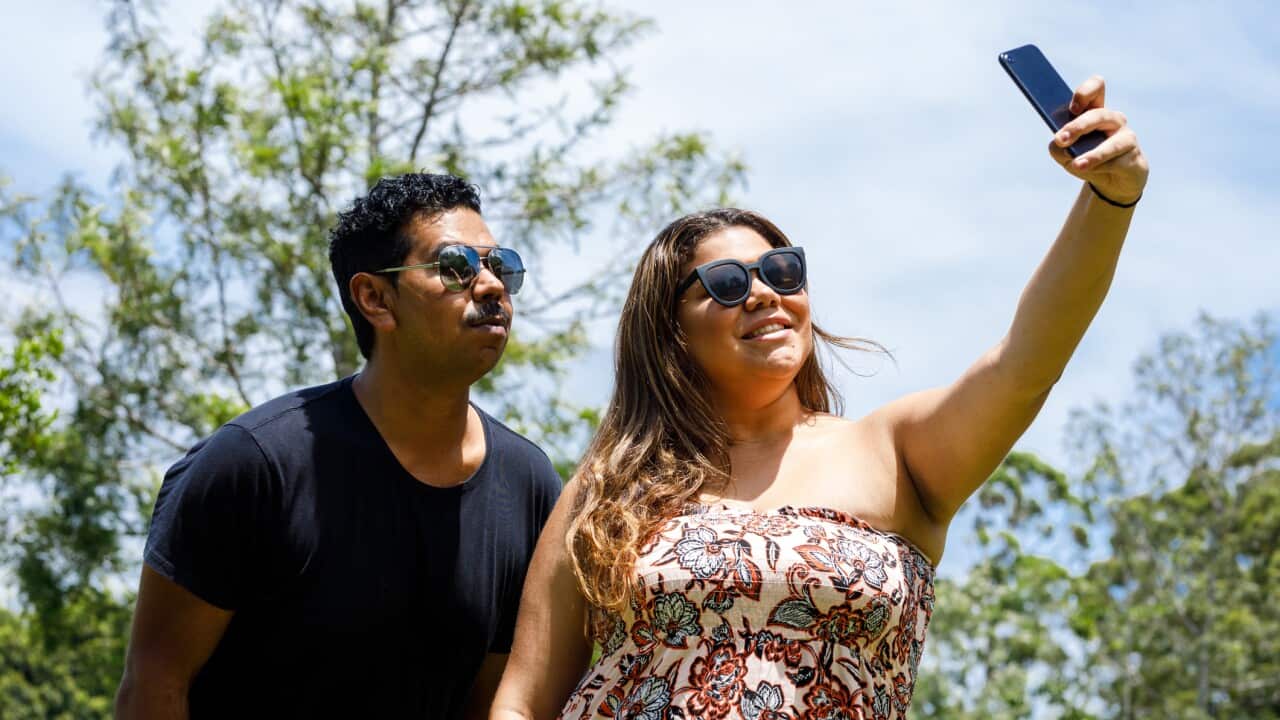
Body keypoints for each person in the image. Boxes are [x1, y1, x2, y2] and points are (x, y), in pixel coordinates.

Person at [490, 75, 1148, 719]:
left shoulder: (894, 453)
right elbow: (523, 699)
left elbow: (1027, 361)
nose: (764, 293)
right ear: (672, 332)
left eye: (782, 271)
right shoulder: (609, 487)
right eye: (723, 283)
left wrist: (1110, 200)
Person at [114, 173, 562, 719]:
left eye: (501, 266)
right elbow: (153, 686)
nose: (490, 285)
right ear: (374, 297)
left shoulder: (528, 484)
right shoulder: (255, 465)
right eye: (456, 268)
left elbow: (494, 700)